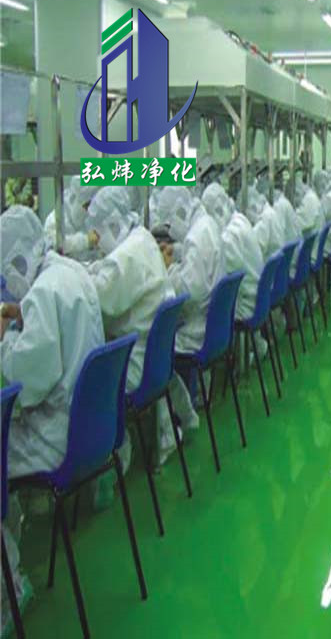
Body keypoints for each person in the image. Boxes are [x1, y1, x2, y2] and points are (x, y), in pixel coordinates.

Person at [0, 205, 104, 627]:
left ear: (18, 261)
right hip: (88, 428)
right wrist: (22, 315)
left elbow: (28, 381)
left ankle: (8, 589)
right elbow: (53, 328)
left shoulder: (42, 292)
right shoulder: (68, 271)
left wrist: (5, 341)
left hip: (56, 439)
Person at [86, 188, 199, 474]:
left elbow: (100, 299)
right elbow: (112, 272)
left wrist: (78, 274)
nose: (97, 242)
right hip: (154, 359)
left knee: (78, 382)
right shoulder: (142, 239)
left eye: (98, 233)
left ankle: (110, 458)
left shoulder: (126, 258)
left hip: (136, 365)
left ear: (111, 225)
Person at [149, 187, 225, 356]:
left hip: (196, 332)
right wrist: (176, 252)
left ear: (180, 211)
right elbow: (197, 265)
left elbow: (189, 294)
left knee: (150, 341)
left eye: (169, 224)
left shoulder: (196, 237)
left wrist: (169, 270)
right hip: (213, 323)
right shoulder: (206, 223)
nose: (170, 231)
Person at [202, 183, 263, 322]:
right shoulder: (240, 219)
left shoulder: (229, 236)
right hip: (257, 295)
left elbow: (222, 280)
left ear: (216, 212)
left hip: (245, 304)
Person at [43, 175, 100, 260]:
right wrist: (85, 241)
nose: (89, 211)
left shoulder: (89, 221)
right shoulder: (55, 219)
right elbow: (52, 245)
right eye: (86, 206)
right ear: (73, 200)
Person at [247, 181, 283, 259]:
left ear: (253, 207)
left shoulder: (265, 217)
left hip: (270, 262)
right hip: (276, 261)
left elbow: (256, 247)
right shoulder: (269, 212)